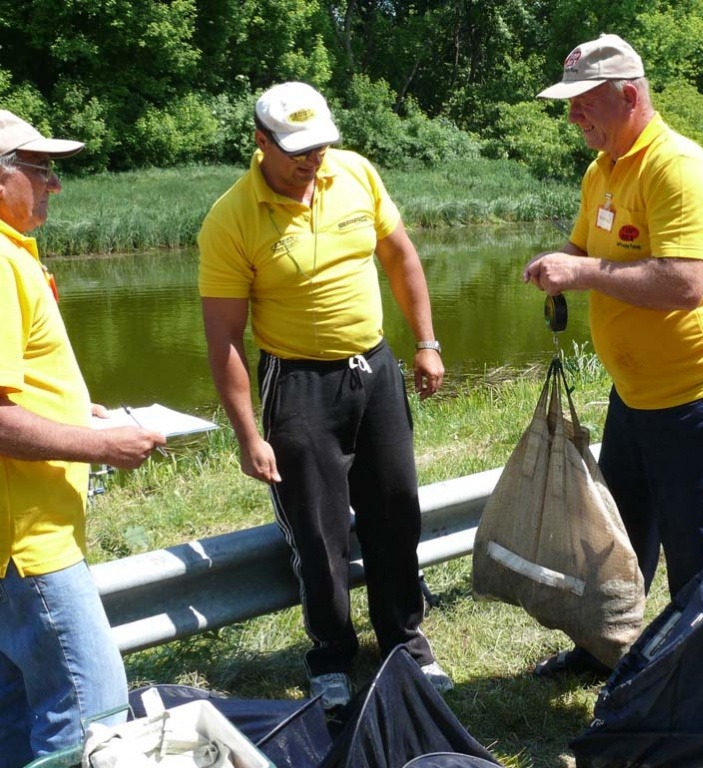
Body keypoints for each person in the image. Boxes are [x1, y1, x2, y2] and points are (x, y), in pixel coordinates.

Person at [198, 82, 451, 709]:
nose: (313, 160)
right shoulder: (232, 218)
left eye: (321, 146)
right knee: (320, 529)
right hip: (298, 383)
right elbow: (225, 339)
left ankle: (404, 641)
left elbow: (400, 258)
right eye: (298, 150)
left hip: (376, 369)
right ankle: (331, 656)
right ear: (261, 143)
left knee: (396, 508)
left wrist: (426, 341)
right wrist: (247, 434)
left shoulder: (356, 174)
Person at [524, 34, 703, 678]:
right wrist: (558, 265)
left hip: (695, 396)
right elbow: (583, 248)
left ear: (629, 95)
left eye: (583, 103)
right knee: (615, 542)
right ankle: (605, 652)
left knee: (699, 553)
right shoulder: (602, 168)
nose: (572, 117)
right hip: (634, 394)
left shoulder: (677, 166)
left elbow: (684, 284)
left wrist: (586, 272)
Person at [0, 111, 166, 767]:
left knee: (18, 719)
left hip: (16, 544)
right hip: (31, 547)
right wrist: (107, 446)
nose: (54, 185)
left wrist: (75, 408)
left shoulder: (15, 254)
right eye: (39, 169)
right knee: (90, 720)